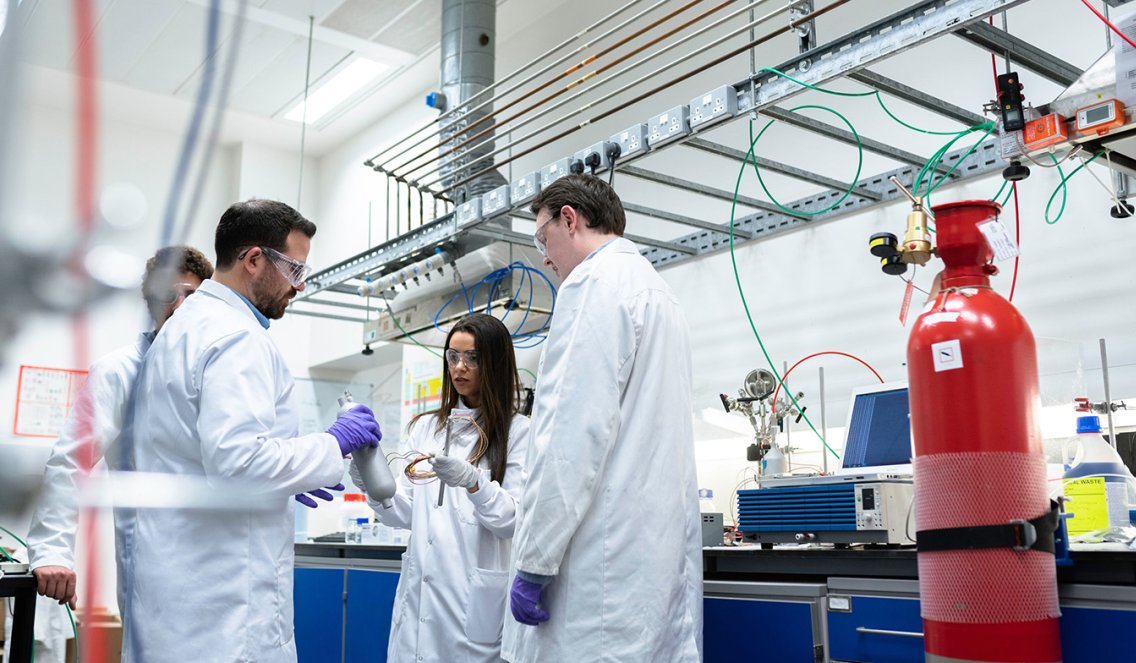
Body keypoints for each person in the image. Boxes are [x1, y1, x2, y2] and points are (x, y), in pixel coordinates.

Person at [121, 199, 382, 662]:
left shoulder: (183, 329)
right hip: (224, 605)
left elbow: (203, 451)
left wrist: (287, 477)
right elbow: (239, 464)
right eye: (295, 270)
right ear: (255, 259)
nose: (298, 286)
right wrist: (334, 441)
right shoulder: (237, 337)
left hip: (178, 593)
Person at [502, 174, 703, 662]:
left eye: (541, 238)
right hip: (650, 563)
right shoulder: (658, 292)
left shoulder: (591, 286)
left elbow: (568, 440)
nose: (544, 258)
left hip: (598, 571)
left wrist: (533, 561)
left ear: (569, 219)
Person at [15, 246, 212, 663]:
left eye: (192, 296)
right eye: (166, 295)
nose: (178, 306)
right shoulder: (121, 370)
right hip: (154, 564)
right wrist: (51, 551)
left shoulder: (219, 373)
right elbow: (72, 461)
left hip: (221, 562)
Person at [351, 313, 529, 662]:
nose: (459, 367)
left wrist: (475, 483)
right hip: (420, 599)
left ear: (494, 362)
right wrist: (372, 482)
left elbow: (513, 520)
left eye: (472, 358)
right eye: (452, 356)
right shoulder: (426, 428)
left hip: (472, 604)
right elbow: (406, 514)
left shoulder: (519, 431)